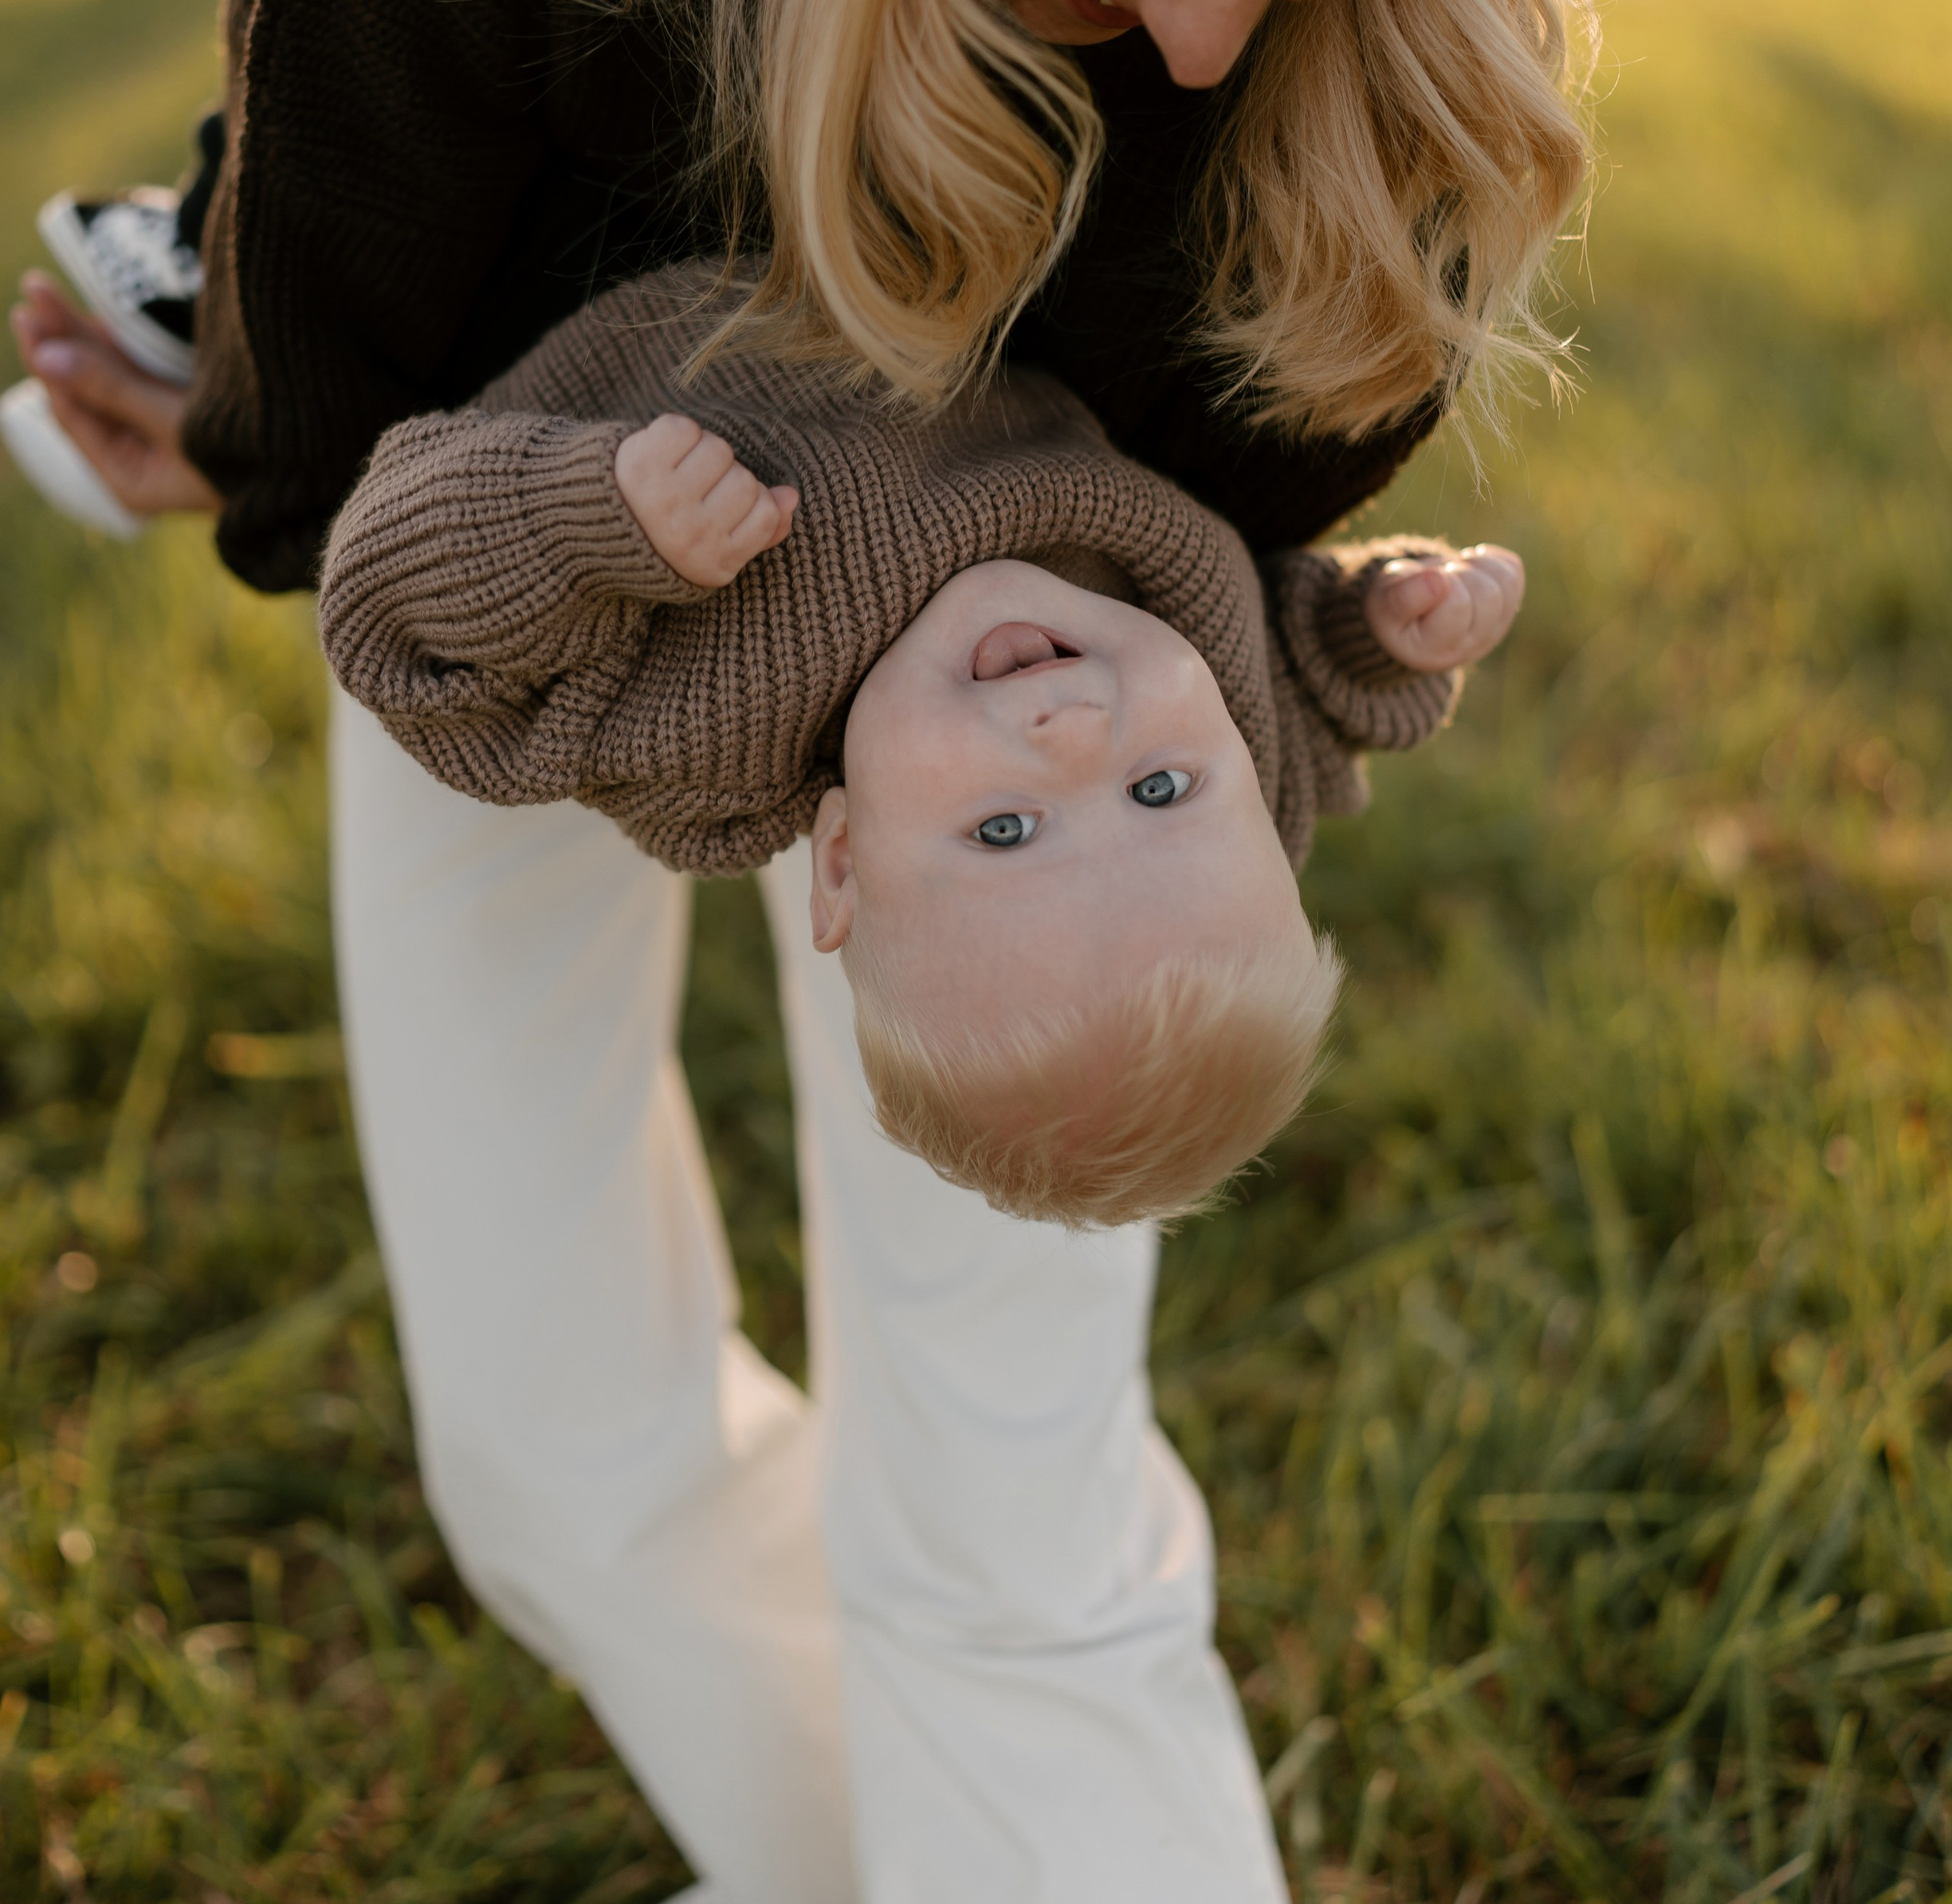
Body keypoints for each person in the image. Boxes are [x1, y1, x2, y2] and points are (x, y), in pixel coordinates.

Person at [7, 0, 1730, 1904]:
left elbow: (1220, 554)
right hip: (531, 618)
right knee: (548, 1429)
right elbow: (345, 413)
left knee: (1012, 1481)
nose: (1211, 35)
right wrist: (242, 429)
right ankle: (839, 1863)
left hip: (1029, 711)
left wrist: (1258, 703)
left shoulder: (1365, 93)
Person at [316, 254, 1526, 1225]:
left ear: (839, 861)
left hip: (621, 237)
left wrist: (595, 522)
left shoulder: (698, 734)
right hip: (935, 219)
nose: (1071, 736)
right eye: (1162, 788)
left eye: (1006, 830)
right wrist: (1384, 626)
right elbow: (1304, 684)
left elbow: (391, 621)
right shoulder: (1189, 651)